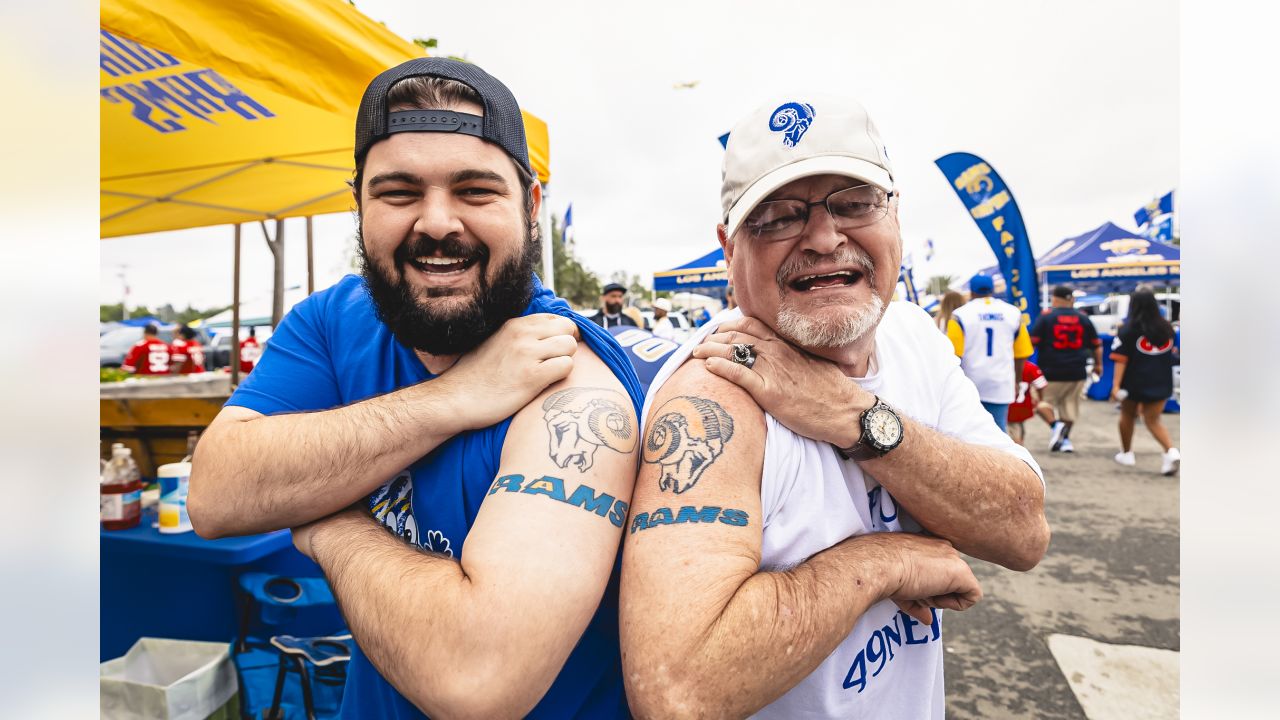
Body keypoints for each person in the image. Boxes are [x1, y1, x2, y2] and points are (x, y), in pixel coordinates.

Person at [187, 58, 643, 719]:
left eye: (475, 191)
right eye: (398, 192)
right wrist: (449, 401)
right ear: (358, 206)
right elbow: (215, 495)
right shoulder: (330, 321)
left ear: (532, 205)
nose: (436, 223)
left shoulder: (572, 381)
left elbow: (476, 678)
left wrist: (328, 520)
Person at [620, 94, 1049, 719]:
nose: (824, 238)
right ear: (728, 250)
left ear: (894, 215)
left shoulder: (913, 335)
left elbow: (1024, 531)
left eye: (853, 203)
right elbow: (678, 691)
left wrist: (853, 418)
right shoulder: (715, 394)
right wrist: (887, 560)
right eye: (776, 216)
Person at [946, 274, 1033, 431]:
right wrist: (1017, 380)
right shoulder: (1013, 313)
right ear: (992, 289)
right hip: (1001, 381)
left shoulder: (960, 315)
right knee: (999, 430)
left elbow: (953, 355)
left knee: (968, 432)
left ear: (971, 292)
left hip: (969, 382)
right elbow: (1021, 353)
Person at [1110, 287, 1180, 475]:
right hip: (1162, 380)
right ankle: (1170, 451)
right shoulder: (1167, 328)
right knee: (1153, 419)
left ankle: (1127, 453)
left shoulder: (1127, 329)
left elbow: (1120, 359)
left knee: (1127, 415)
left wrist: (1115, 385)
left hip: (1134, 381)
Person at [1028, 284, 1101, 453]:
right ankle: (1065, 440)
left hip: (1051, 370)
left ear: (1054, 298)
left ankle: (1056, 427)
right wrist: (1098, 365)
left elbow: (1032, 341)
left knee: (1039, 402)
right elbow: (1097, 345)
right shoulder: (1083, 318)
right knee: (1070, 408)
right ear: (1072, 299)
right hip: (1077, 370)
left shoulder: (1046, 318)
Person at [1007, 360, 1055, 447]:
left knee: (1014, 433)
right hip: (1022, 406)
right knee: (1017, 434)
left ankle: (1056, 426)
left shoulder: (1001, 366)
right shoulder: (1030, 366)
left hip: (1006, 406)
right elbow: (1041, 385)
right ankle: (1056, 425)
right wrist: (1040, 398)